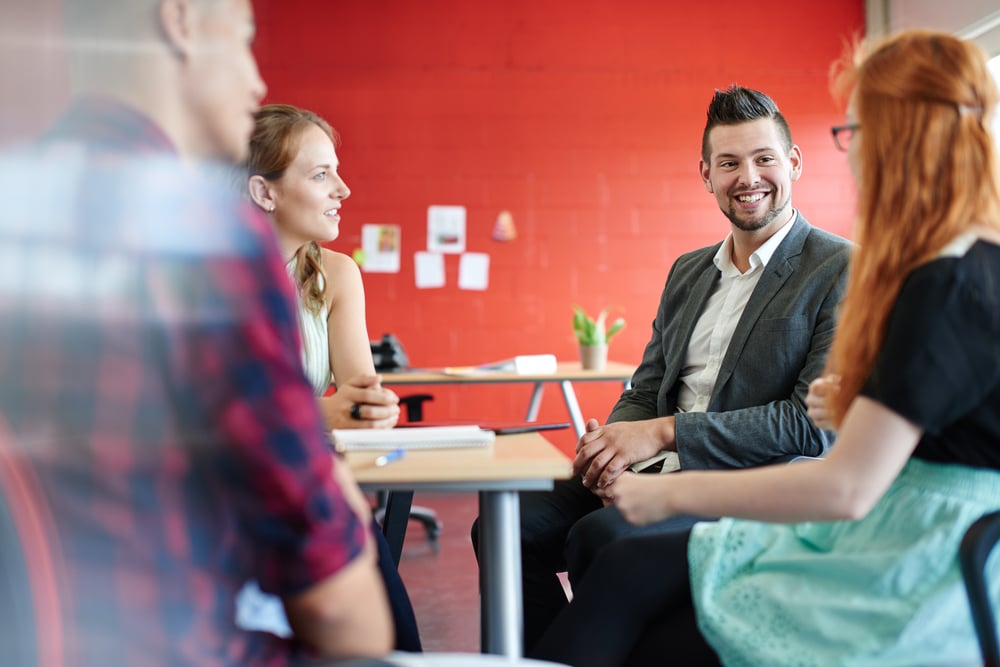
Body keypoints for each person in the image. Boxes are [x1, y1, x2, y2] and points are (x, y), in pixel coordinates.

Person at [530, 29, 1000, 667]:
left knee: (625, 588)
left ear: (899, 136)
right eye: (728, 163)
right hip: (904, 518)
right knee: (594, 567)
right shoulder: (954, 263)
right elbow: (948, 414)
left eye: (856, 130)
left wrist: (668, 486)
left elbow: (845, 483)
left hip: (913, 546)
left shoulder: (925, 276)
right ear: (707, 175)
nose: (853, 151)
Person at [0, 0, 394, 664]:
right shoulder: (204, 237)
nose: (255, 80)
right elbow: (342, 613)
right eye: (243, 39)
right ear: (179, 20)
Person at [473, 84, 853, 650]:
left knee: (601, 538)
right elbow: (647, 386)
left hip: (740, 485)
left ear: (793, 162)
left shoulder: (838, 267)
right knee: (504, 529)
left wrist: (659, 434)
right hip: (652, 465)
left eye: (763, 158)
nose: (748, 177)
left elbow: (808, 427)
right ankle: (553, 655)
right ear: (706, 174)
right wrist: (611, 453)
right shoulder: (688, 271)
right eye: (729, 163)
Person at [241, 103, 421, 652]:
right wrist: (324, 412)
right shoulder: (215, 278)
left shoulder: (337, 273)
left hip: (308, 473)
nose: (342, 189)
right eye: (321, 175)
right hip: (238, 485)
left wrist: (374, 408)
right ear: (264, 193)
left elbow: (358, 396)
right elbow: (217, 413)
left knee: (389, 615)